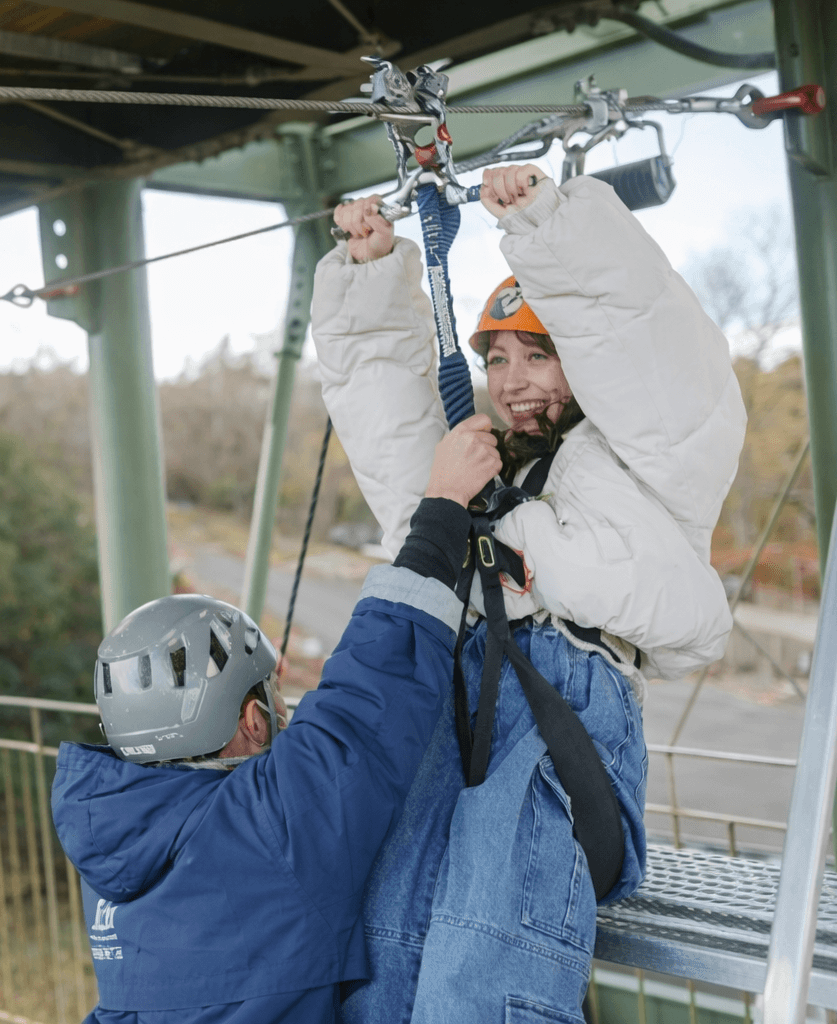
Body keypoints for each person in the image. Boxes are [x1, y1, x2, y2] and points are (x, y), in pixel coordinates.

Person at [315, 165, 745, 1022]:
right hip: (468, 700)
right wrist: (369, 280)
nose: (511, 381)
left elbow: (639, 338)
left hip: (562, 716)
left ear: (581, 360)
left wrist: (550, 228)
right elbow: (401, 446)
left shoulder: (646, 458)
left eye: (539, 354)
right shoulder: (495, 473)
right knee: (384, 948)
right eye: (499, 359)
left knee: (483, 969)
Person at [53, 468, 493, 1023]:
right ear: (253, 721)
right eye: (275, 698)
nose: (287, 711)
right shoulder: (270, 826)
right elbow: (367, 703)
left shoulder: (107, 836)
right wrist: (443, 509)